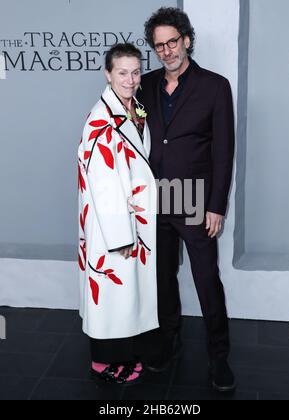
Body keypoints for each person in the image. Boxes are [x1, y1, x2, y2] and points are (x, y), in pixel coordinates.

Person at [137, 7, 236, 392]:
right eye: (159, 45)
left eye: (172, 42)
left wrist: (216, 206)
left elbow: (223, 151)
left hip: (195, 199)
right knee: (161, 280)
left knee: (206, 280)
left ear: (187, 40)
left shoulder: (215, 86)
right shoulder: (143, 85)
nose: (166, 51)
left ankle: (219, 357)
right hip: (155, 198)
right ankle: (168, 342)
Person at [77, 43, 158, 384]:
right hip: (113, 225)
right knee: (109, 293)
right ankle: (102, 362)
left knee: (123, 293)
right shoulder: (100, 120)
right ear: (108, 74)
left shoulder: (134, 107)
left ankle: (123, 353)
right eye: (122, 72)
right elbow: (104, 183)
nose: (130, 79)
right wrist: (121, 236)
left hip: (132, 219)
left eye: (136, 72)